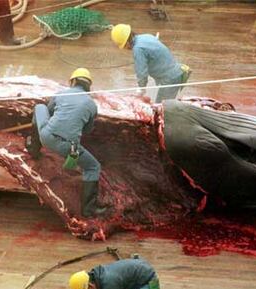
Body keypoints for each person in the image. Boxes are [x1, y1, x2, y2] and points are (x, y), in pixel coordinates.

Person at [25, 68, 107, 218]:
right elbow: (87, 130)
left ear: (73, 81)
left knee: (39, 107)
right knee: (93, 167)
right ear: (88, 85)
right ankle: (89, 210)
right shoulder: (92, 105)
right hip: (70, 147)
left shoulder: (61, 93)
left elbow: (48, 111)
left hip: (47, 136)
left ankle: (34, 149)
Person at [110, 23, 190, 103]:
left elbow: (141, 73)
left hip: (170, 79)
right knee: (163, 106)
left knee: (161, 109)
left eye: (124, 46)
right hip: (175, 72)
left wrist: (141, 88)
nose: (125, 49)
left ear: (126, 43)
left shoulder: (138, 49)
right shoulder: (146, 36)